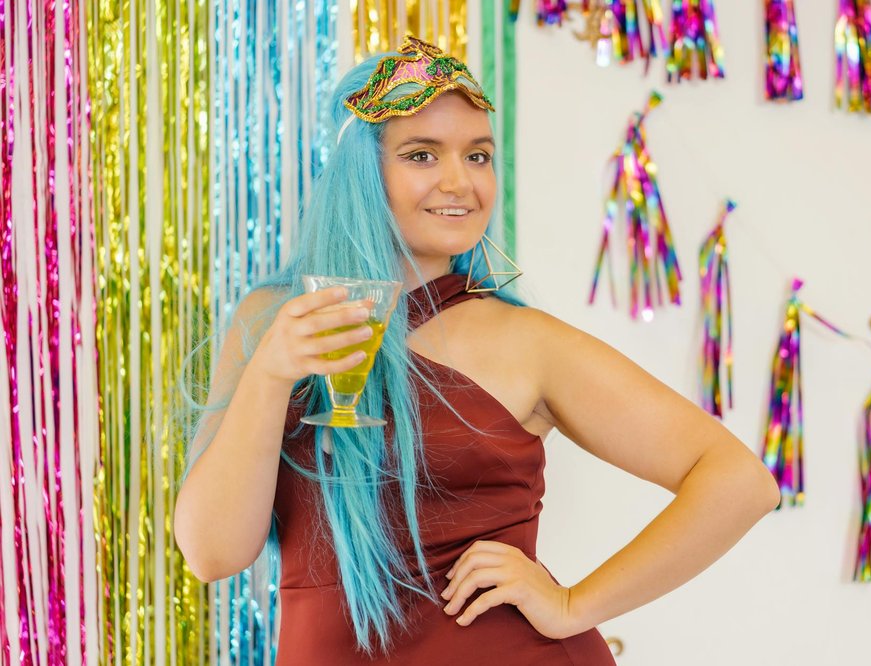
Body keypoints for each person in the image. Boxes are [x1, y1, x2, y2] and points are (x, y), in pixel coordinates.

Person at [174, 36, 779, 665]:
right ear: (362, 171)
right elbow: (212, 554)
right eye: (421, 154)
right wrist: (271, 373)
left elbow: (739, 481)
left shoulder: (525, 341)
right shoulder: (273, 321)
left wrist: (572, 605)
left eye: (478, 155)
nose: (459, 181)